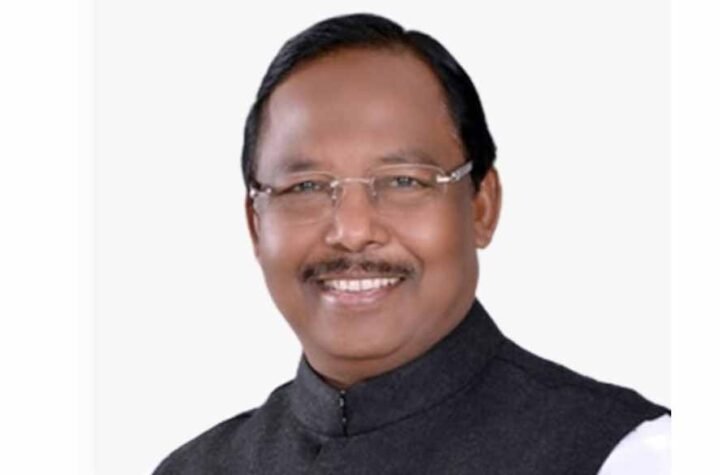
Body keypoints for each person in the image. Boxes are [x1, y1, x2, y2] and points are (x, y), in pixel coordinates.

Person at [153, 13, 669, 474]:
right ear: (255, 225)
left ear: (481, 206)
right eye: (305, 186)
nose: (352, 231)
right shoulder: (195, 468)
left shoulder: (625, 455)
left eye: (403, 181)